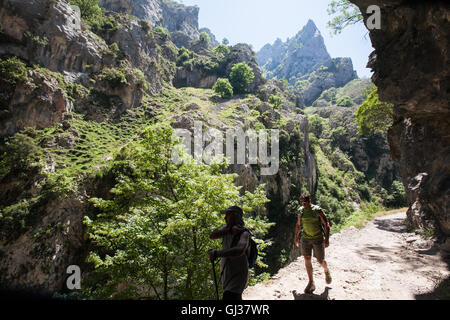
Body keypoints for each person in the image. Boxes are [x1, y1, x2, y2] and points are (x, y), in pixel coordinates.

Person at [208, 206, 250, 300]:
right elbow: (212, 236)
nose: (225, 218)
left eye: (228, 215)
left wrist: (217, 253)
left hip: (237, 276)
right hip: (227, 275)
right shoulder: (226, 229)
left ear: (235, 216)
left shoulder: (244, 233)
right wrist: (229, 230)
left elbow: (239, 250)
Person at [294, 194, 332, 294]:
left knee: (320, 260)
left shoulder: (317, 210)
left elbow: (326, 224)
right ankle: (311, 282)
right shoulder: (301, 211)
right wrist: (296, 238)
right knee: (307, 258)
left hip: (317, 239)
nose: (303, 204)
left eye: (305, 202)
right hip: (305, 238)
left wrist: (326, 239)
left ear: (309, 201)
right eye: (302, 202)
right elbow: (298, 225)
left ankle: (326, 270)